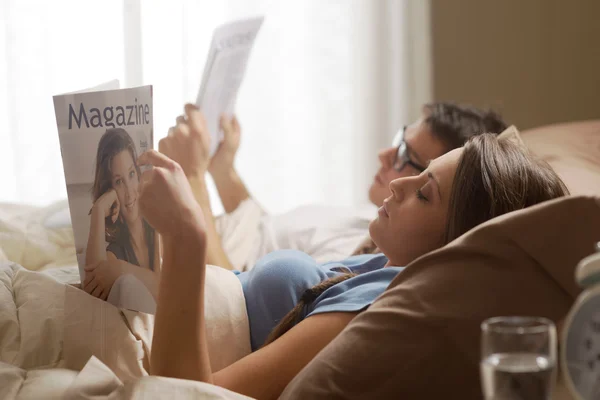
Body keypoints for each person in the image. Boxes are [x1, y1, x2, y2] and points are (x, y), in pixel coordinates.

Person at [139, 104, 567, 400]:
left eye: (424, 194)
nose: (399, 183)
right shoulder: (380, 259)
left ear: (452, 242)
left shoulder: (379, 303)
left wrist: (186, 238)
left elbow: (189, 393)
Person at [172, 102, 508, 271]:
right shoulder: (368, 218)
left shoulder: (370, 248)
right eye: (398, 140)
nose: (385, 155)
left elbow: (230, 296)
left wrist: (192, 178)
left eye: (407, 155)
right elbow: (264, 232)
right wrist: (222, 170)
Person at [83, 128, 160, 301]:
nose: (129, 191)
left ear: (140, 175)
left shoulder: (157, 224)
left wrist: (122, 270)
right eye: (119, 181)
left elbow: (164, 287)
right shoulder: (115, 253)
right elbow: (92, 297)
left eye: (132, 174)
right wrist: (98, 209)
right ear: (109, 189)